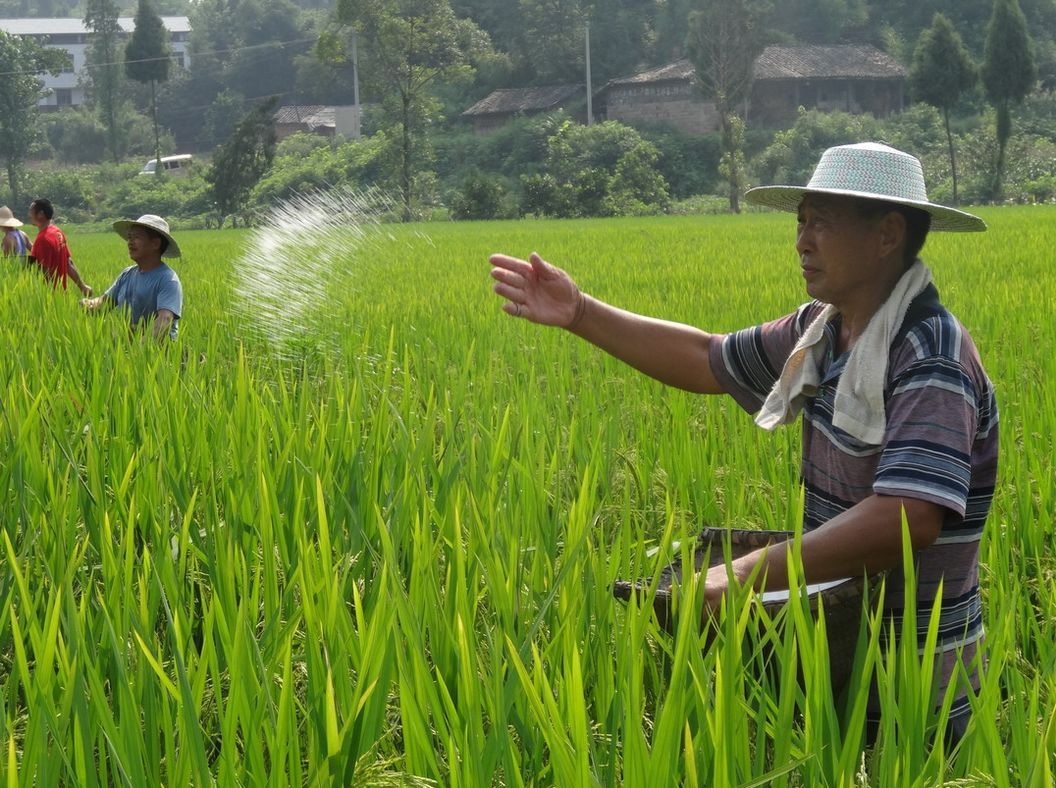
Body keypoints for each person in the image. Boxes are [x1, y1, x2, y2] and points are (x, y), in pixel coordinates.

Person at [488, 143, 997, 745]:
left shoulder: (927, 351)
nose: (803, 242)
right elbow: (709, 358)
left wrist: (747, 575)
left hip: (915, 674)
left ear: (887, 234)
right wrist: (581, 313)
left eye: (822, 225)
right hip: (839, 640)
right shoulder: (826, 329)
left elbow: (909, 518)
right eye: (800, 222)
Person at [81, 214, 183, 341]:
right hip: (128, 345)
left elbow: (165, 320)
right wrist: (89, 304)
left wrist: (141, 348)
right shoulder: (127, 274)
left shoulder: (167, 279)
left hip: (159, 351)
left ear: (155, 244)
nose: (130, 242)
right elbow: (104, 303)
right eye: (129, 237)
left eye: (137, 237)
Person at [27, 198, 92, 296]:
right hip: (61, 295)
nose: (29, 215)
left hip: (48, 298)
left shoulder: (42, 240)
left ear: (40, 214)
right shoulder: (57, 232)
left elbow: (45, 273)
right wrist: (82, 286)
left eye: (31, 211)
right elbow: (68, 263)